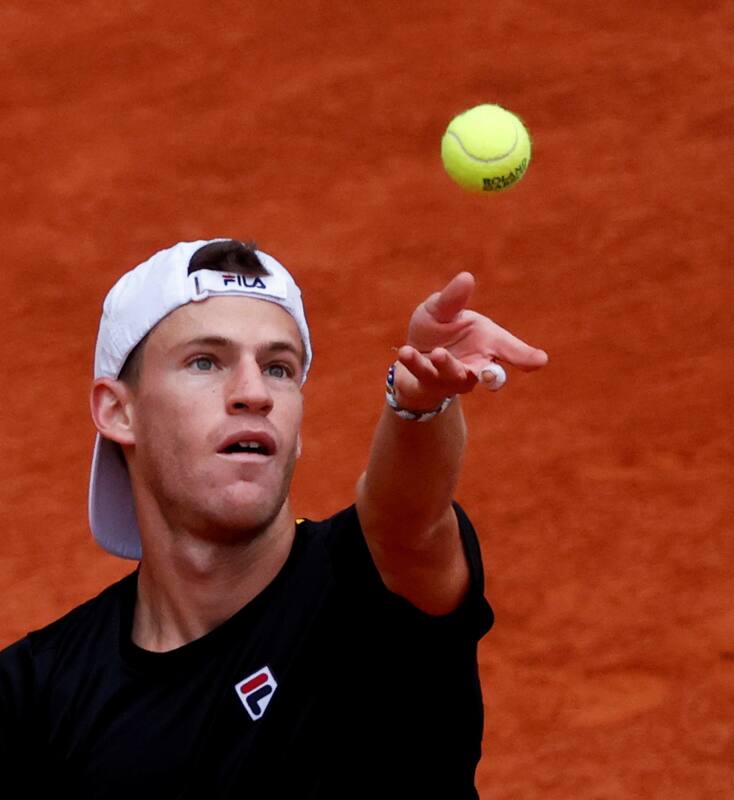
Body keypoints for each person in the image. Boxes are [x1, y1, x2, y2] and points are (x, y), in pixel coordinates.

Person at [0, 239, 547, 797]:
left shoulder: (368, 587)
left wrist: (421, 403)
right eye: (205, 362)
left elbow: (410, 521)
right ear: (119, 410)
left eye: (279, 368)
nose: (254, 392)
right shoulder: (37, 695)